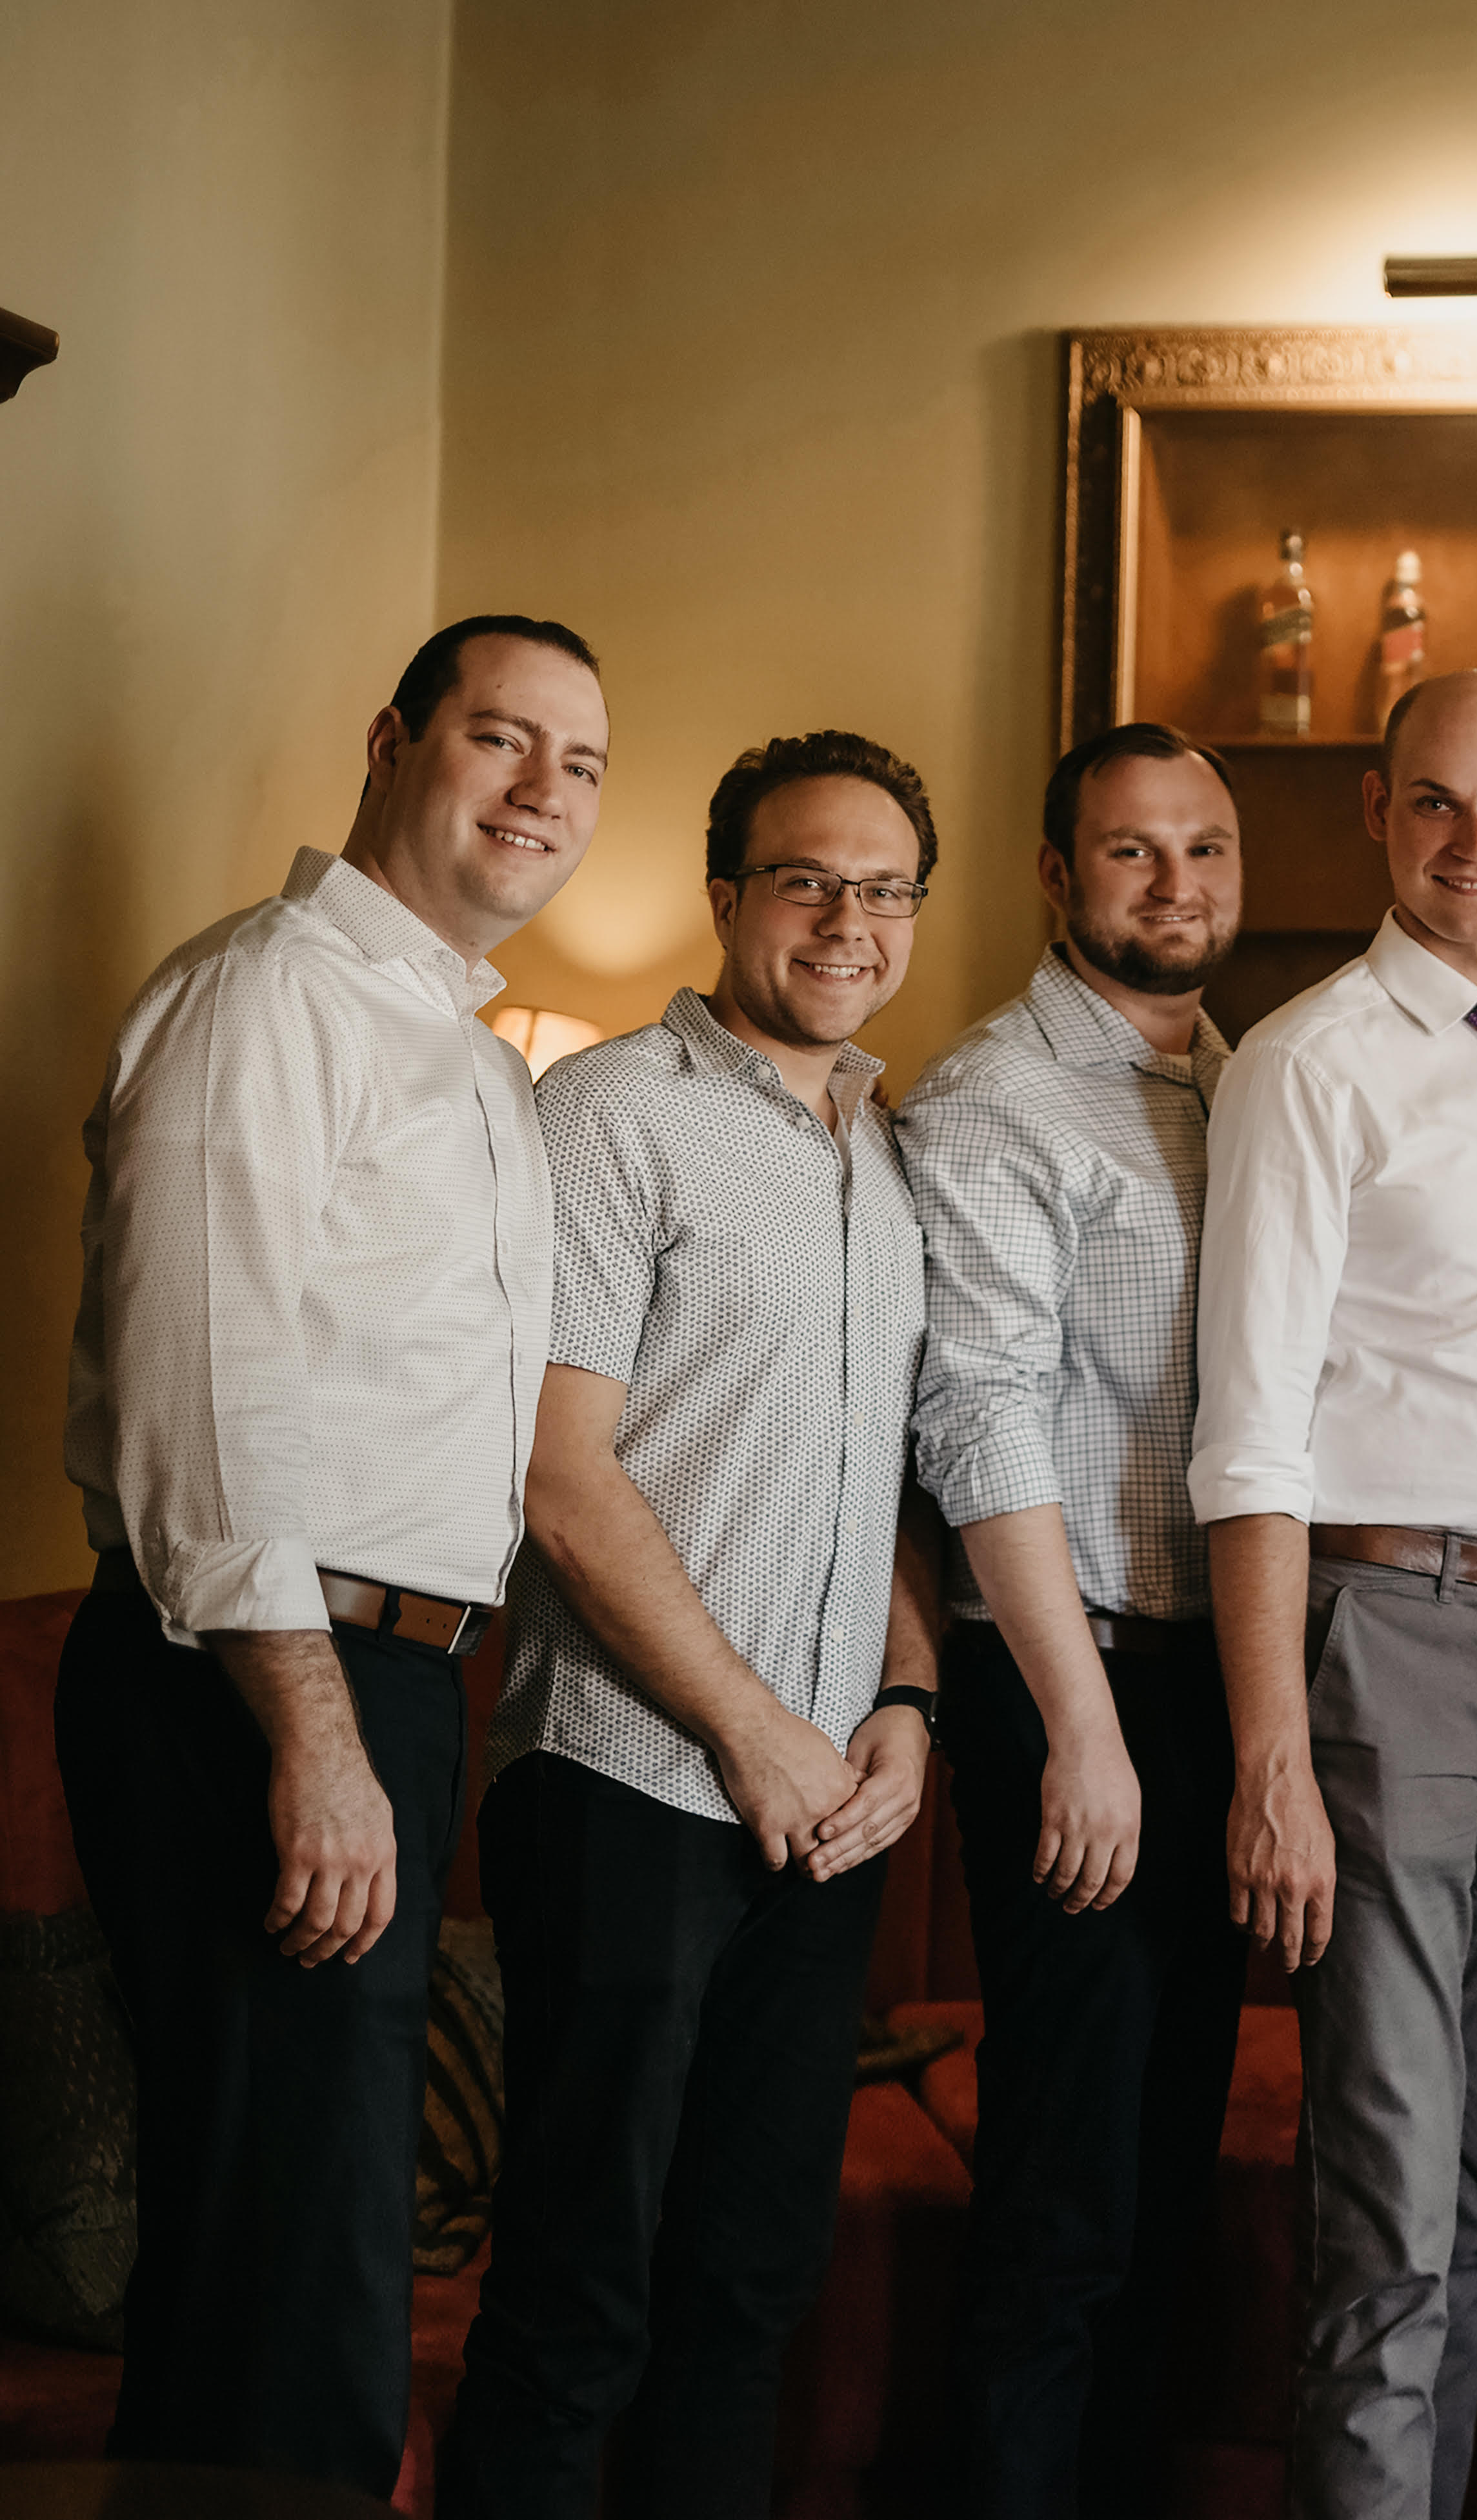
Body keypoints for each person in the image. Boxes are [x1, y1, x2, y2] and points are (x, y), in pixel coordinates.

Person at [57, 615, 608, 2494]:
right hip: (255, 1672)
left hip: (381, 1671)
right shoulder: (272, 996)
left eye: (585, 764)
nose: (546, 791)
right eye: (502, 738)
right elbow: (201, 1403)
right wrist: (313, 1734)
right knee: (292, 2292)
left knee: (282, 2265)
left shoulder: (455, 1047)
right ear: (390, 741)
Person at [439, 730, 944, 2519]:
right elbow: (561, 1477)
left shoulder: (884, 1154)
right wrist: (752, 1727)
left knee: (746, 2292)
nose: (847, 919)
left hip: (825, 1821)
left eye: (884, 887)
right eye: (806, 877)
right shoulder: (606, 1115)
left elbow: (878, 1476)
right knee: (579, 2292)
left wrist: (906, 1691)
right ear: (727, 892)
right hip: (632, 1788)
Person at [1191, 668, 1477, 2520]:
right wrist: (1271, 1754)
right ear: (1377, 810)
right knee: (1386, 2192)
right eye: (1440, 804)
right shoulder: (1305, 1063)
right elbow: (1250, 1428)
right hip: (1386, 1644)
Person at [899, 722, 1248, 2517]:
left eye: (1203, 846)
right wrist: (1086, 1734)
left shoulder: (1241, 1083)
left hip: (1213, 1690)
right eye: (1131, 851)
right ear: (1057, 876)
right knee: (1064, 2196)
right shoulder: (992, 1100)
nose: (1174, 882)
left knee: (1167, 2181)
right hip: (1072, 1683)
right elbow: (980, 1416)